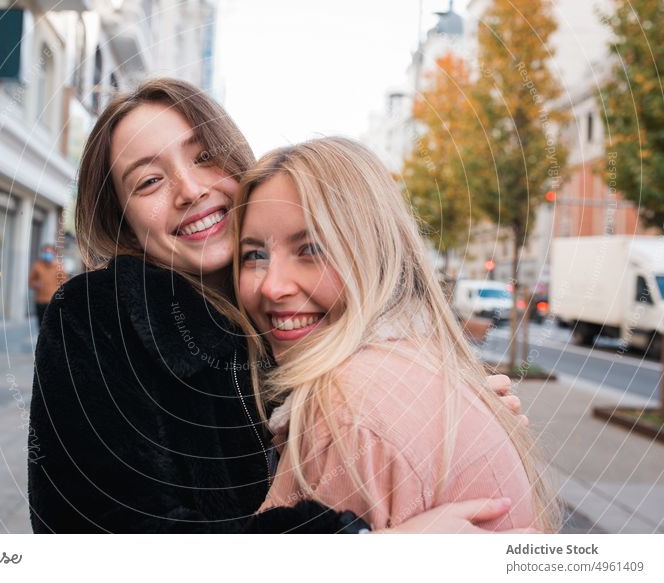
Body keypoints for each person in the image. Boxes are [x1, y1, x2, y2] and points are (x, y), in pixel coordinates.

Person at [28, 78, 531, 533]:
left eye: (204, 156)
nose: (190, 189)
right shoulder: (98, 315)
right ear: (124, 223)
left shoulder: (280, 312)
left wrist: (431, 409)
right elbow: (95, 535)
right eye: (149, 181)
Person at [234, 137, 561, 532]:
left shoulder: (347, 405)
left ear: (377, 254)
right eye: (255, 255)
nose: (272, 287)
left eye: (312, 249)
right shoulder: (413, 369)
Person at [28, 244, 63, 326]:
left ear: (54, 254)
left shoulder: (59, 268)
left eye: (49, 252)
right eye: (45, 252)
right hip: (40, 301)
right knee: (41, 325)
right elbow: (30, 282)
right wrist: (35, 284)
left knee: (51, 326)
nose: (47, 254)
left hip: (53, 302)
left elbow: (64, 284)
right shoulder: (37, 266)